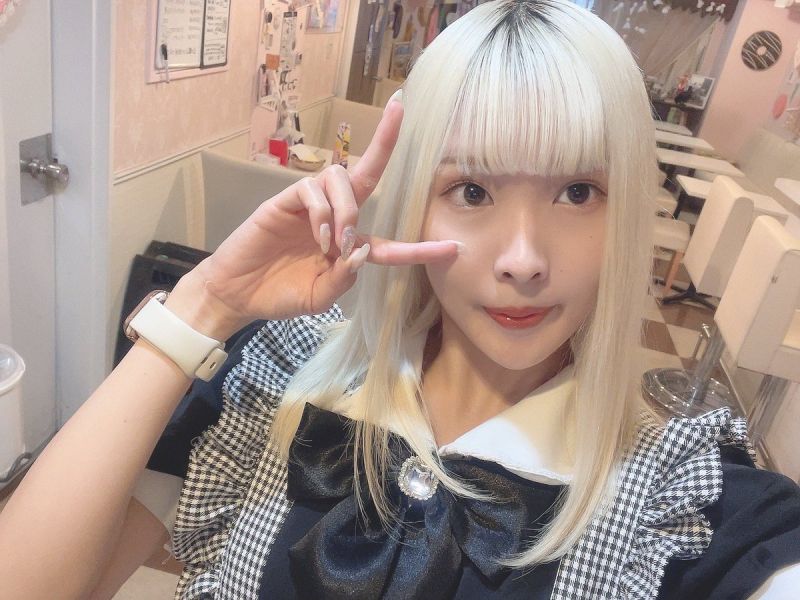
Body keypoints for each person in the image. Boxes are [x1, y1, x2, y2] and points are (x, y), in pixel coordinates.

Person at [1, 1, 800, 598]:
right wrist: (207, 302)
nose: (523, 260)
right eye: (473, 190)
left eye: (579, 192)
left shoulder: (682, 499)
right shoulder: (277, 380)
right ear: (414, 202)